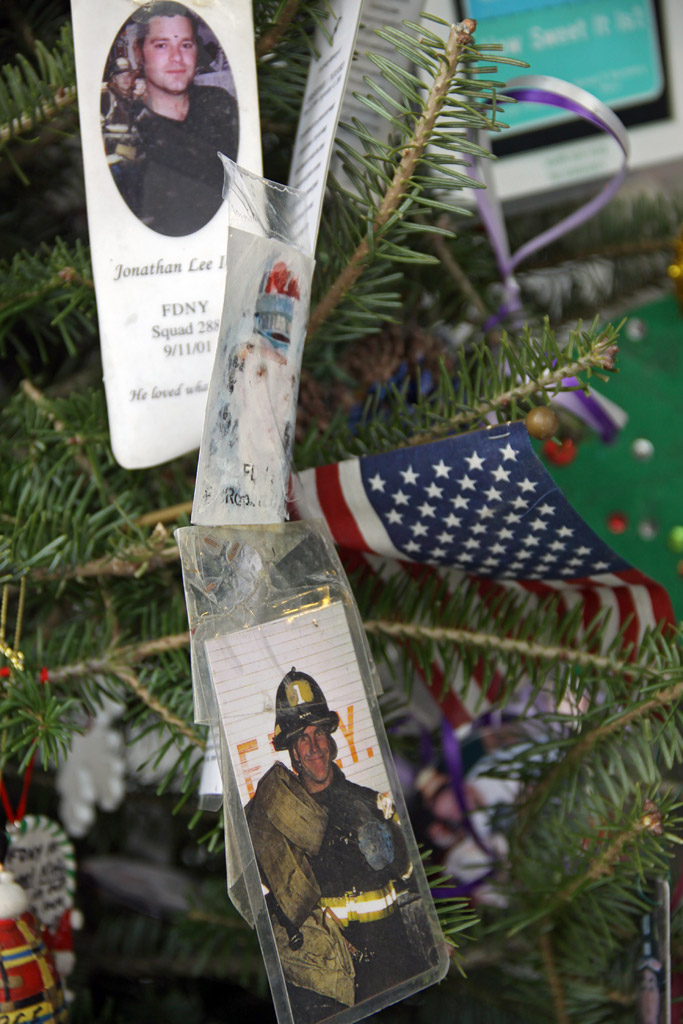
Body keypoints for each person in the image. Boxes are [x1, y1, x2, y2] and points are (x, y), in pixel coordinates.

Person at [246, 669, 435, 1024]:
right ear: (292, 750)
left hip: (395, 966)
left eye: (319, 733)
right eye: (302, 738)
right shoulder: (277, 823)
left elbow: (415, 882)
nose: (314, 745)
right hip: (331, 983)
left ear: (331, 739)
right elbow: (272, 906)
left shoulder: (373, 803)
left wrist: (395, 848)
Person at [110, 1, 239, 236]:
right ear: (140, 53)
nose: (176, 57)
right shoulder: (130, 130)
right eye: (161, 46)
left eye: (186, 45)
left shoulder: (220, 105)